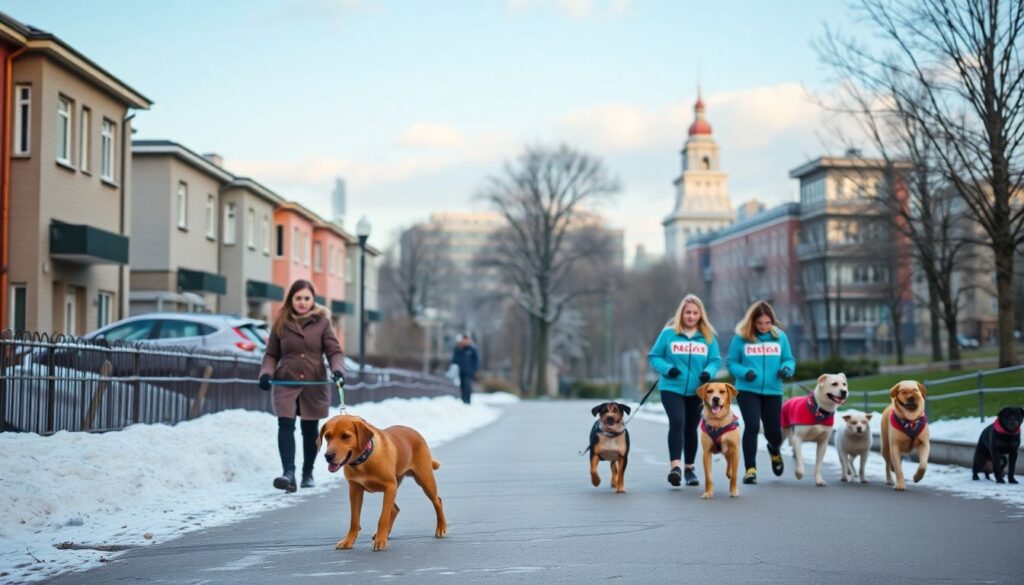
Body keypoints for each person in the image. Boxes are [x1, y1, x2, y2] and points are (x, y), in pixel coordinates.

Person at [258, 279, 345, 492]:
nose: (303, 302)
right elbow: (271, 354)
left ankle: (307, 472)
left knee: (310, 430)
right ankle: (289, 473)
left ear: (313, 300)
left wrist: (338, 370)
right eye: (298, 298)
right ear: (291, 299)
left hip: (313, 384)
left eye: (307, 298)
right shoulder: (281, 322)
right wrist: (266, 373)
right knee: (285, 425)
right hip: (286, 383)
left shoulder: (322, 323)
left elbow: (334, 351)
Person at [647, 294, 722, 488]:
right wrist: (668, 369)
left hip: (697, 391)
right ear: (681, 313)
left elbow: (715, 360)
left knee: (690, 427)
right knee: (677, 422)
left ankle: (689, 468)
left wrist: (708, 372)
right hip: (672, 387)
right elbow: (655, 356)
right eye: (688, 312)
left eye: (695, 313)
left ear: (700, 315)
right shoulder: (668, 334)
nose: (691, 316)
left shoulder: (708, 337)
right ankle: (675, 468)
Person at [726, 300, 796, 485]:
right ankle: (750, 470)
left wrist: (787, 369)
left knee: (774, 432)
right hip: (747, 389)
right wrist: (744, 372)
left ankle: (774, 450)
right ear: (752, 321)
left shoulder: (780, 337)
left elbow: (788, 359)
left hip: (773, 390)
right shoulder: (741, 337)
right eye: (760, 323)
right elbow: (732, 362)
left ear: (772, 321)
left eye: (767, 323)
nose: (764, 327)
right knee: (752, 427)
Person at [450, 334, 479, 404]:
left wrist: (474, 369)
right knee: (462, 385)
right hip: (461, 371)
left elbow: (476, 360)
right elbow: (454, 360)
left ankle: (467, 400)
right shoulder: (459, 349)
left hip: (469, 371)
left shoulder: (472, 349)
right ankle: (463, 399)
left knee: (467, 385)